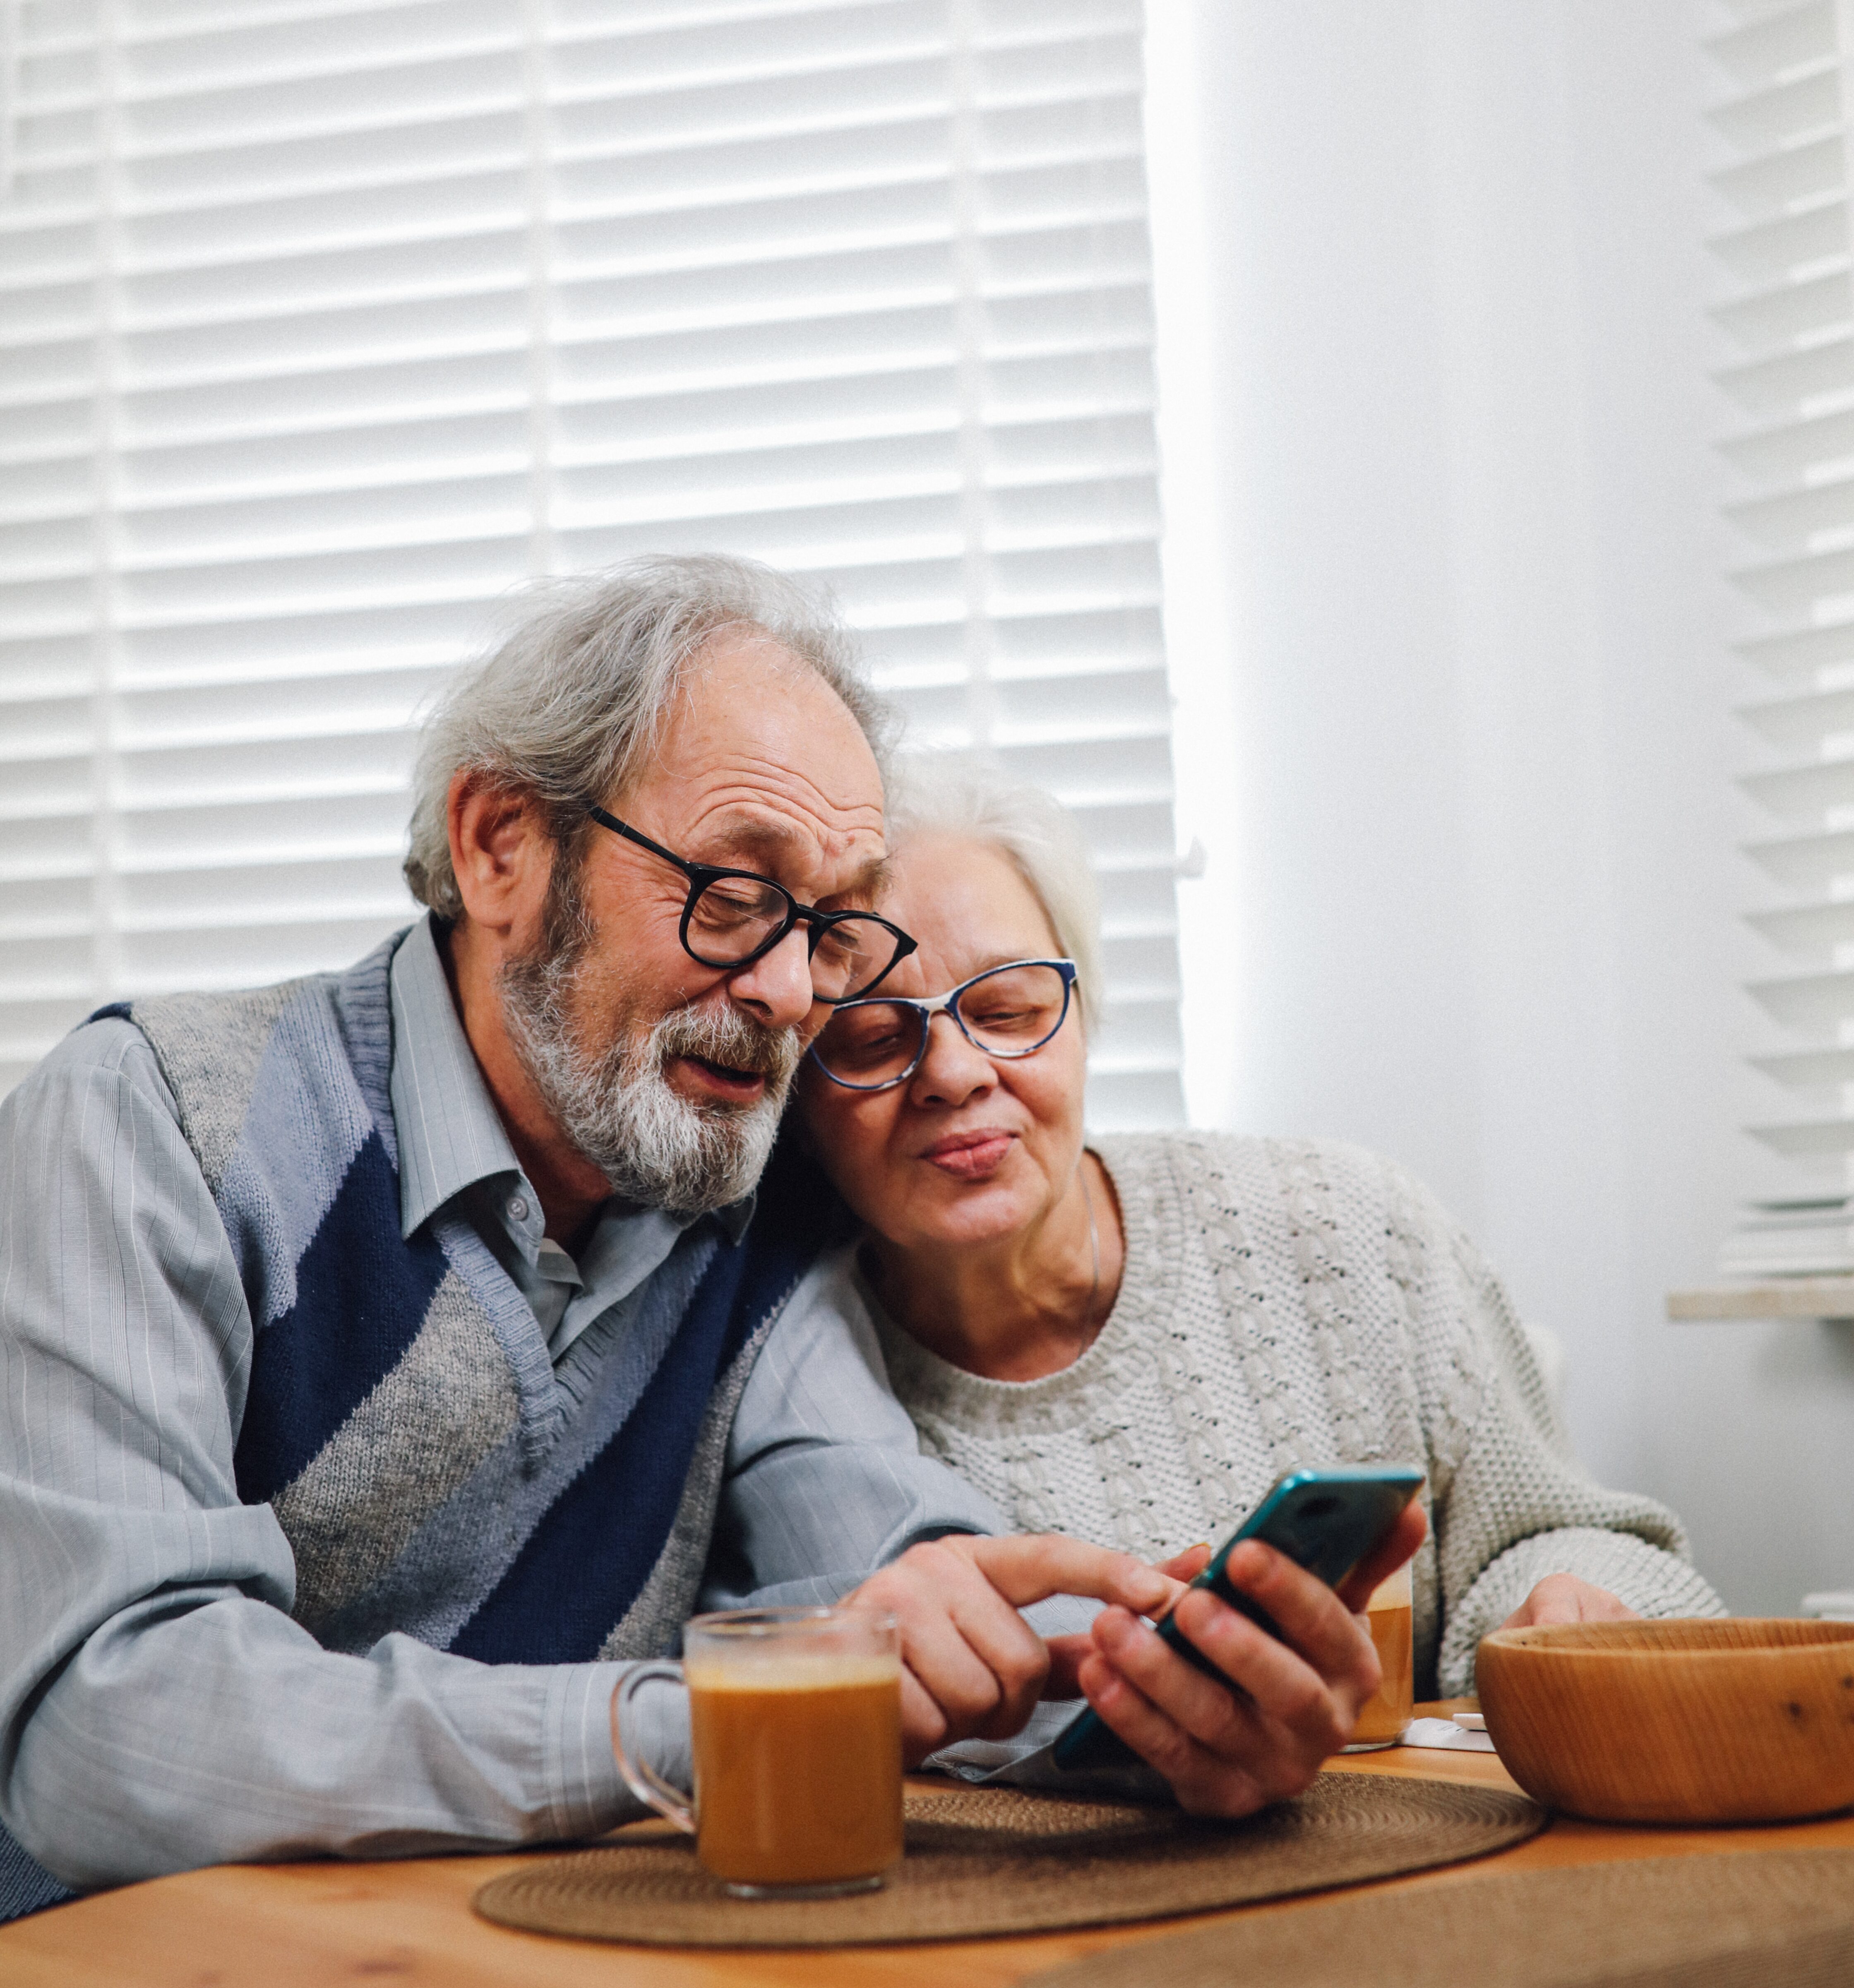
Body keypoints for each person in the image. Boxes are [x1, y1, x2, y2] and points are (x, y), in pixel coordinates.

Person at [0, 557, 1403, 1904]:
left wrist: (1156, 1707)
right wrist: (704, 1724)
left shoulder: (749, 1198)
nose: (797, 989)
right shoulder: (153, 1128)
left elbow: (891, 1583)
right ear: (503, 846)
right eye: (737, 897)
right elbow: (110, 1727)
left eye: (837, 927)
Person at [793, 752, 1724, 1806]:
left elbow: (1569, 1531)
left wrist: (1564, 1605)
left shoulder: (1346, 1226)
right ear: (794, 1095)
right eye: (871, 1037)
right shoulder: (785, 1385)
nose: (956, 1073)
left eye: (1009, 1009)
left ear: (1086, 1017)